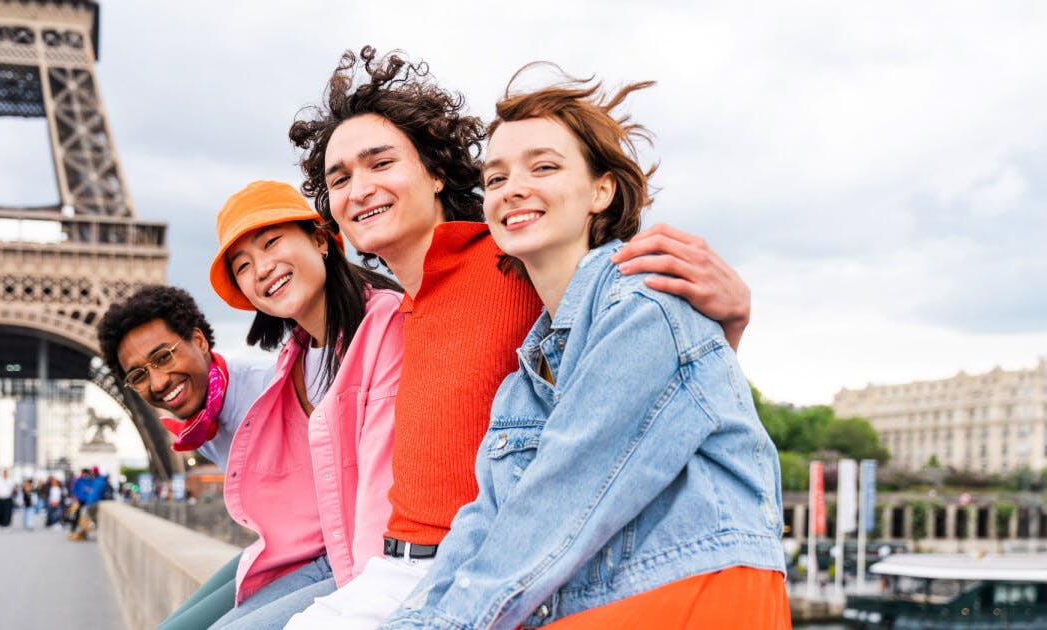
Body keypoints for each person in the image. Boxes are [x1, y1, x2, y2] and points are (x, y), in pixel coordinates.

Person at [282, 47, 753, 629]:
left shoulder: (509, 260)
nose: (360, 189)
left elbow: (625, 316)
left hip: (513, 581)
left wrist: (729, 321)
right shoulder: (411, 317)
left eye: (380, 163)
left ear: (435, 174)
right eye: (340, 178)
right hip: (419, 569)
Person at [98, 183, 407, 630]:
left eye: (272, 242)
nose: (261, 269)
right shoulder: (296, 358)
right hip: (310, 552)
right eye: (243, 265)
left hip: (362, 564)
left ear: (320, 238)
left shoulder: (376, 330)